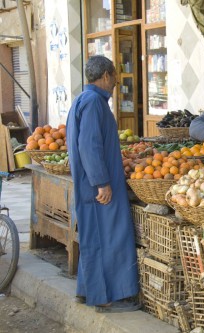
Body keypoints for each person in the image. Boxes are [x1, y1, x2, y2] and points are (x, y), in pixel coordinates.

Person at [66, 55, 140, 313]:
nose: (117, 81)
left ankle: (87, 290)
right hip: (97, 187)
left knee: (95, 237)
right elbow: (89, 145)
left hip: (93, 184)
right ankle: (101, 296)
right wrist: (102, 183)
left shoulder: (84, 100)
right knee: (106, 239)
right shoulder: (93, 103)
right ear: (106, 76)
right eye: (115, 76)